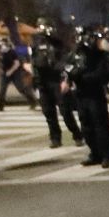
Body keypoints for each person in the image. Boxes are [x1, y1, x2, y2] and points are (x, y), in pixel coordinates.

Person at [64, 25, 109, 168]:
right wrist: (69, 78)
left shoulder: (100, 55)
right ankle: (95, 153)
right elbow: (66, 67)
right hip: (81, 94)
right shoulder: (76, 54)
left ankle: (107, 155)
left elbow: (103, 75)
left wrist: (81, 77)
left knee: (100, 125)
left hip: (95, 94)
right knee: (86, 126)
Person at [30, 18, 82, 148]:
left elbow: (66, 63)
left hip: (57, 81)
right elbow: (33, 65)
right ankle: (55, 138)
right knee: (49, 112)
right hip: (43, 83)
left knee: (65, 112)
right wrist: (35, 84)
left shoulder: (58, 44)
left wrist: (66, 80)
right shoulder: (35, 44)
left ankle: (77, 134)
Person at [0, 31, 35, 110]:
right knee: (2, 90)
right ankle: (0, 106)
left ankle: (32, 101)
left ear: (6, 44)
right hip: (5, 73)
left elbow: (17, 63)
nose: (1, 45)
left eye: (2, 44)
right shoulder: (1, 52)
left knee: (21, 89)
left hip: (15, 73)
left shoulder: (12, 52)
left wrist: (10, 71)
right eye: (0, 44)